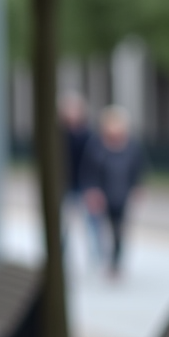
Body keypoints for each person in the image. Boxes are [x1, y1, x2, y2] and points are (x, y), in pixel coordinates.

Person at [80, 106, 146, 280]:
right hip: (101, 195)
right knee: (97, 228)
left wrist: (138, 187)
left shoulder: (132, 146)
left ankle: (115, 263)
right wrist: (92, 191)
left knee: (118, 230)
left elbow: (139, 169)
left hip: (121, 194)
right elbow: (89, 170)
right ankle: (100, 258)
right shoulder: (97, 146)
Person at [58, 92, 101, 264]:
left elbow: (95, 162)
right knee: (64, 225)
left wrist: (94, 187)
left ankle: (97, 257)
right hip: (66, 185)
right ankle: (59, 257)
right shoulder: (59, 134)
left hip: (85, 185)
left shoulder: (89, 135)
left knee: (93, 224)